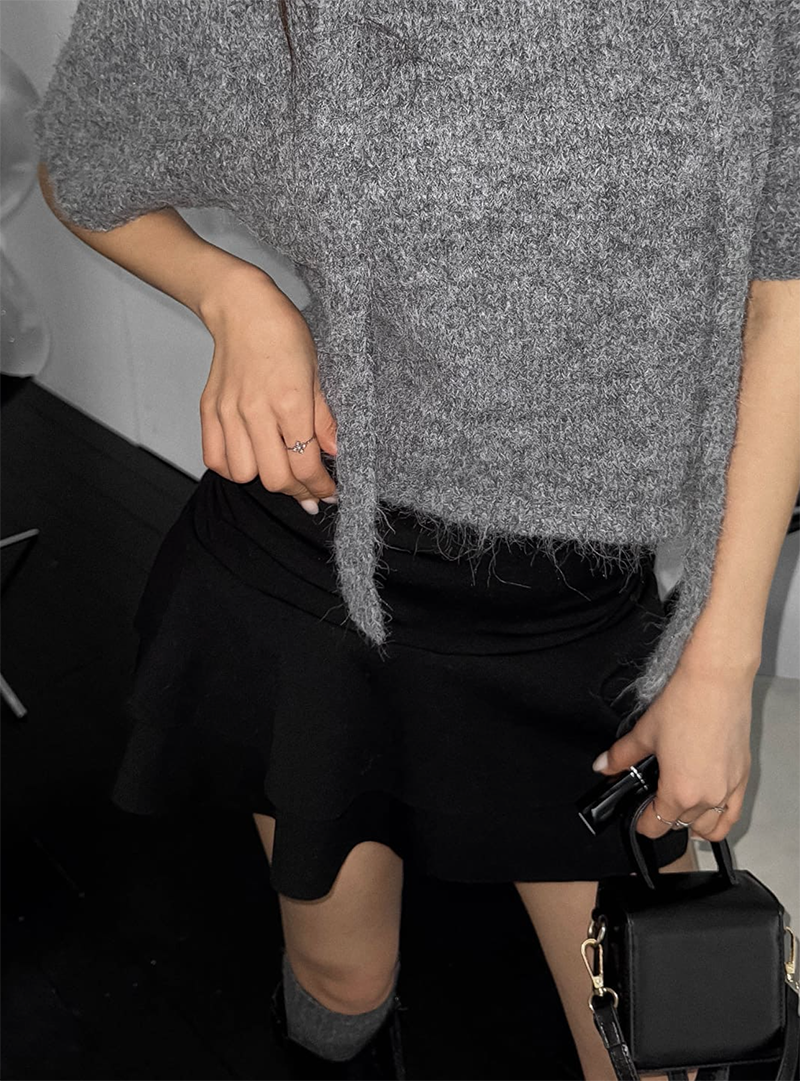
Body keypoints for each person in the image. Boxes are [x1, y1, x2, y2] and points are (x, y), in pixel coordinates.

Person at [30, 1, 800, 1079]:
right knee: (340, 986)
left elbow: (784, 301)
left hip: (581, 629)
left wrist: (720, 660)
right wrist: (232, 295)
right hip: (309, 581)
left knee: (670, 1042)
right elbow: (81, 156)